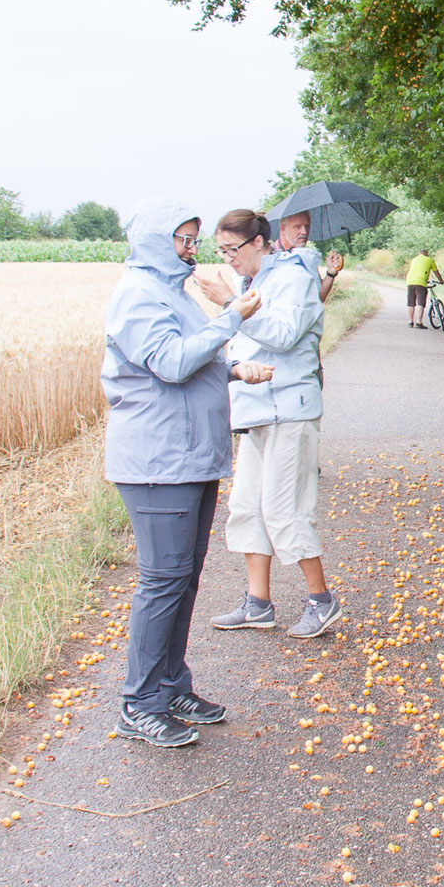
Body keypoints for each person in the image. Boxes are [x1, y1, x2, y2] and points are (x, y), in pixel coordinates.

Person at [100, 200, 266, 748]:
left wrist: (234, 369)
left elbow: (197, 357)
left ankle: (171, 686)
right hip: (157, 461)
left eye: (194, 239)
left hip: (192, 456)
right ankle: (138, 703)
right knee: (162, 580)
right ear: (154, 241)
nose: (191, 249)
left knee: (182, 579)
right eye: (183, 240)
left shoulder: (174, 293)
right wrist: (232, 317)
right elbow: (170, 363)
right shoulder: (138, 296)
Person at [195, 210, 342, 638]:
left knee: (284, 509)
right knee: (245, 506)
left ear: (258, 242)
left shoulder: (295, 276)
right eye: (220, 250)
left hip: (289, 408)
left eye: (232, 249)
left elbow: (283, 335)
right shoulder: (251, 281)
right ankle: (258, 603)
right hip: (256, 408)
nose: (227, 258)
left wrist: (230, 303)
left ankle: (322, 600)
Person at [277, 211, 343, 304]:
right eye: (297, 227)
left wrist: (331, 273)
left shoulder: (306, 258)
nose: (304, 232)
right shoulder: (270, 258)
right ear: (283, 229)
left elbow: (318, 297)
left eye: (307, 226)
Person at [406, 248, 442, 328]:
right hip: (421, 283)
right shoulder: (430, 260)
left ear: (420, 254)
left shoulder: (414, 259)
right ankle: (419, 322)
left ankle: (410, 322)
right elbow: (436, 272)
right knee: (420, 303)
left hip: (410, 282)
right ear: (427, 254)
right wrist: (441, 280)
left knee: (411, 303)